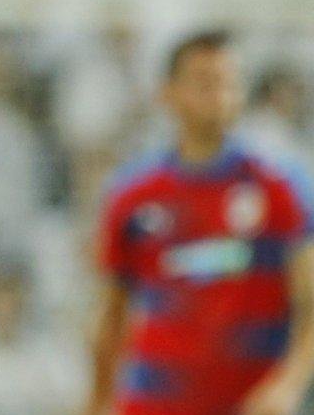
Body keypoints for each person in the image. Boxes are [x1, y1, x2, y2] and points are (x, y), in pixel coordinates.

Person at [87, 31, 314, 415]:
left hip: (246, 401)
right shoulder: (133, 195)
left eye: (229, 83)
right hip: (155, 403)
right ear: (169, 93)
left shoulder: (280, 188)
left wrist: (288, 384)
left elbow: (310, 302)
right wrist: (96, 403)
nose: (220, 95)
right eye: (205, 82)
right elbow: (111, 317)